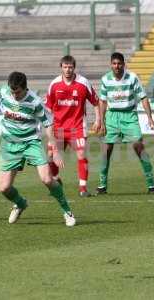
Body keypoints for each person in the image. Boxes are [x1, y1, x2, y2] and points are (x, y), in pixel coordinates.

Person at [0, 71, 76, 227]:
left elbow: (48, 124)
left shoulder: (35, 102)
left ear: (25, 88)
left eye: (18, 92)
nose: (14, 95)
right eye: (12, 92)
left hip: (31, 143)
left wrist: (55, 151)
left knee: (47, 179)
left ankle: (67, 211)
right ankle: (20, 203)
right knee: (4, 188)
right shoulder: (6, 91)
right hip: (9, 144)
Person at [97, 52, 154, 194]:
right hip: (112, 117)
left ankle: (151, 184)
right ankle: (102, 185)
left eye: (119, 63)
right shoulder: (105, 79)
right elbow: (103, 101)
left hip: (129, 115)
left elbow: (143, 97)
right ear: (111, 64)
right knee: (106, 150)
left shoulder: (132, 77)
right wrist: (101, 121)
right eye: (114, 63)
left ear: (124, 64)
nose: (116, 66)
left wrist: (150, 118)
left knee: (138, 146)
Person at [46, 55, 101, 197]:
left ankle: (83, 188)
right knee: (51, 156)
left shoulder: (83, 83)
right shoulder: (54, 84)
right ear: (61, 68)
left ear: (74, 67)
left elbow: (96, 102)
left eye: (70, 67)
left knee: (82, 154)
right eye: (65, 67)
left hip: (77, 127)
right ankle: (56, 180)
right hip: (58, 127)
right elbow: (48, 109)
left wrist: (98, 120)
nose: (68, 70)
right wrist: (49, 129)